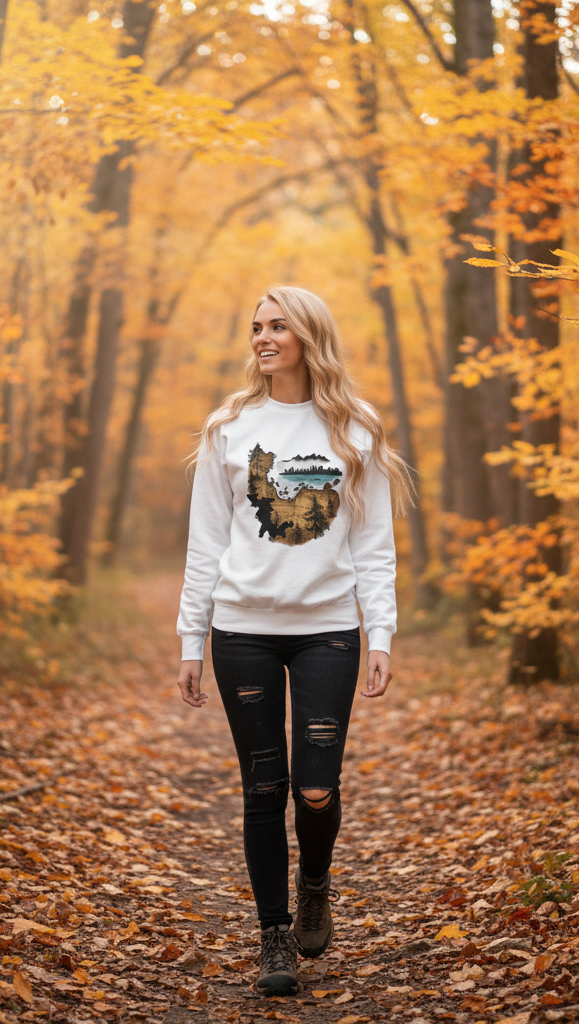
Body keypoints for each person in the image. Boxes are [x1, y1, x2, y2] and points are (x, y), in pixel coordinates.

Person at [175, 286, 413, 996]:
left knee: (314, 787)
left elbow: (375, 546)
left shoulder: (354, 426)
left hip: (328, 633)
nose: (262, 338)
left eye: (277, 326)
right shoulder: (229, 425)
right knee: (262, 788)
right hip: (242, 631)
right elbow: (204, 544)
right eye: (256, 327)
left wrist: (382, 634)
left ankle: (315, 879)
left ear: (310, 334)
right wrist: (192, 639)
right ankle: (273, 934)